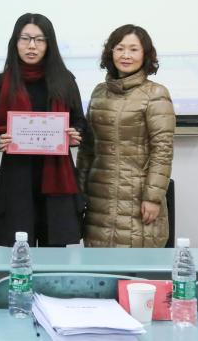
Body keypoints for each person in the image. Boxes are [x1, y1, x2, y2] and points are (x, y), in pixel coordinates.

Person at [0, 13, 86, 247]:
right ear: (15, 42)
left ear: (49, 44)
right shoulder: (0, 83)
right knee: (19, 256)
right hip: (17, 182)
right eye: (25, 38)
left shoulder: (65, 81)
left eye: (40, 39)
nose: (32, 46)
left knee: (55, 258)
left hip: (56, 184)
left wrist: (75, 134)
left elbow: (80, 122)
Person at [77, 24, 174, 247]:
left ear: (145, 54)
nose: (126, 55)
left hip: (137, 199)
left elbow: (162, 151)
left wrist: (152, 197)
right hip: (99, 199)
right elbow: (87, 148)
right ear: (110, 52)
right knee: (99, 264)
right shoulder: (99, 92)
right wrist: (78, 191)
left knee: (136, 265)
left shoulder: (156, 94)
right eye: (120, 48)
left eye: (133, 49)